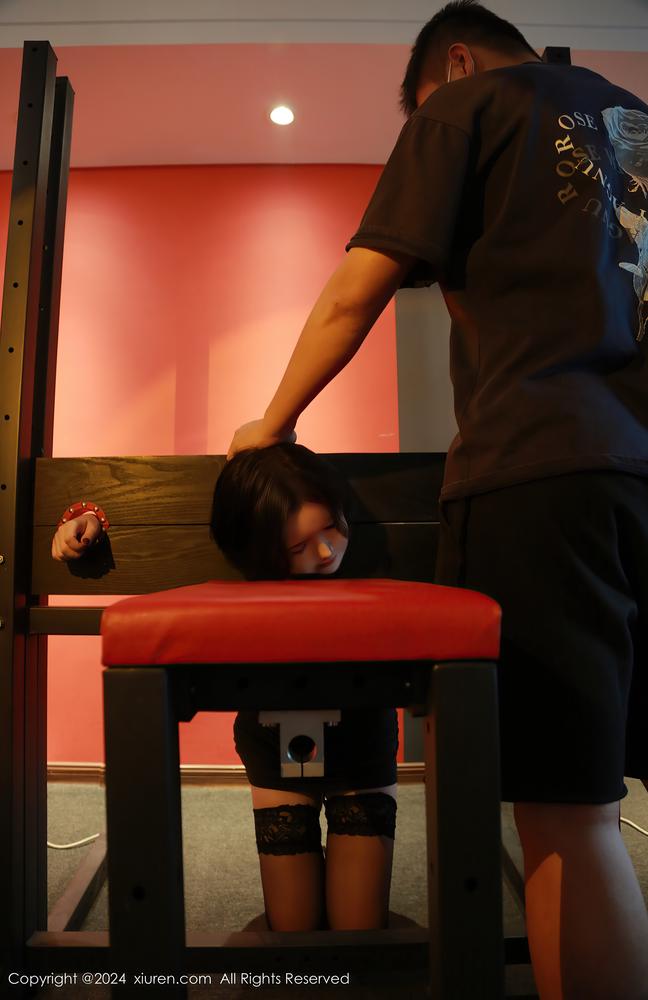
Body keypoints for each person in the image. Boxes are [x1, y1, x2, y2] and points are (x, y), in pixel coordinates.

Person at [226, 3, 648, 998]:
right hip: (639, 474)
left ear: (454, 63)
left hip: (545, 475)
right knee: (601, 797)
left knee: (569, 815)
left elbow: (355, 290)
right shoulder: (633, 120)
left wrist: (271, 424)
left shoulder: (467, 106)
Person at [51, 443, 399, 934]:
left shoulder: (352, 544)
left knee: (358, 932)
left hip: (362, 734)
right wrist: (86, 516)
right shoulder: (249, 540)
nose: (326, 552)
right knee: (293, 930)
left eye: (332, 528)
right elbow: (149, 506)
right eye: (298, 548)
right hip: (272, 736)